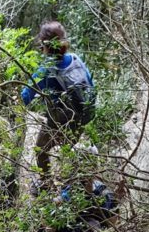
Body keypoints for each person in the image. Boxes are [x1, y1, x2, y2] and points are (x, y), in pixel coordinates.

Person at [21, 21, 96, 176]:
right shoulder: (76, 60)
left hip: (58, 124)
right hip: (81, 121)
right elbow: (90, 85)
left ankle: (46, 183)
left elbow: (25, 97)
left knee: (41, 149)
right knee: (71, 154)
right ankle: (75, 184)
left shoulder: (46, 70)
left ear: (44, 45)